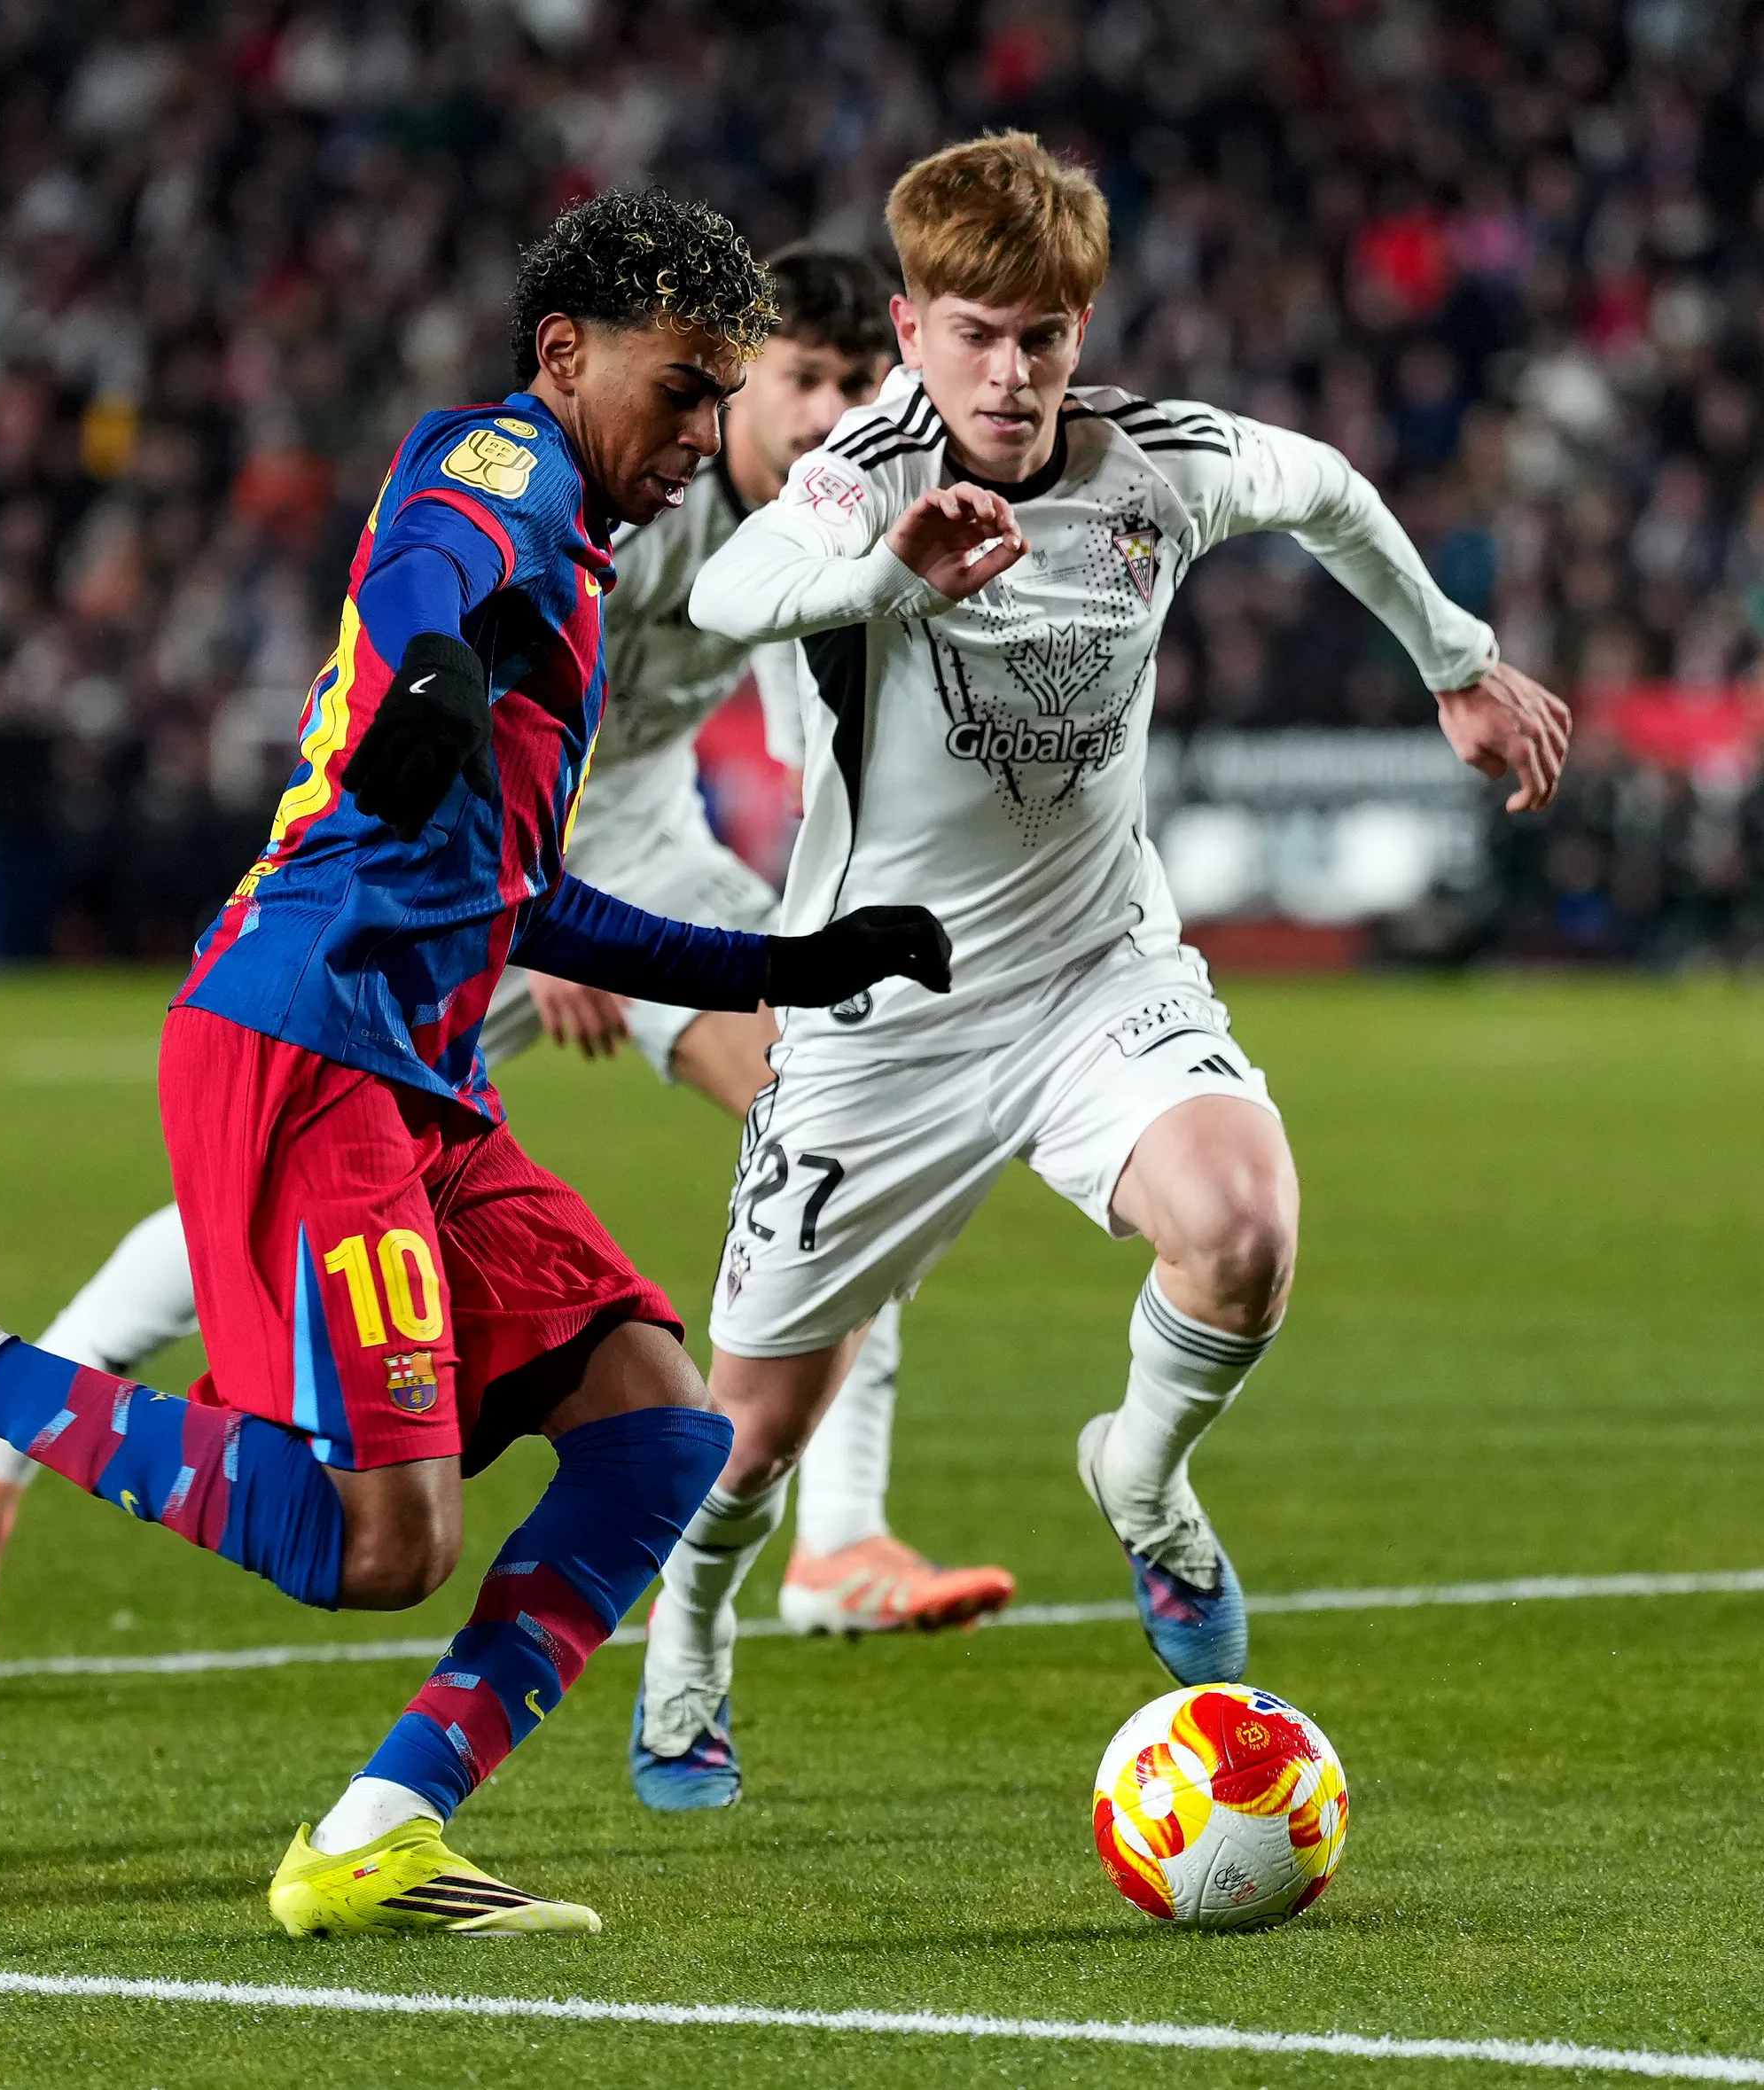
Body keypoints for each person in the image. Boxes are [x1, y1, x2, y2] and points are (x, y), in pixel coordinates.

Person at [0, 191, 953, 1936]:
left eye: (714, 397)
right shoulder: (501, 469)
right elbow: (418, 573)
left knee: (662, 1433)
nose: (697, 434)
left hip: (422, 1077)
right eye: (682, 393)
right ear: (564, 356)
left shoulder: (584, 573)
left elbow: (533, 897)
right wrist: (431, 676)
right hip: (298, 1047)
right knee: (384, 1546)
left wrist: (789, 964)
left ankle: (378, 1832)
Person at [629, 134, 1571, 1807]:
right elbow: (734, 577)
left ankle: (1139, 1479)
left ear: (1080, 331)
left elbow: (1329, 490)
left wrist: (1460, 664)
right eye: (977, 333)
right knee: (749, 1432)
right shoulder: (860, 473)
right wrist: (886, 568)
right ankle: (691, 1623)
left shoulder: (1159, 462)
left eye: (1044, 335)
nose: (1010, 372)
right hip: (877, 1015)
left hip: (1092, 974)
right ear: (911, 329)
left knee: (1245, 1227)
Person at [0, 251, 1018, 1661]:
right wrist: (475, 765)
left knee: (844, 1121)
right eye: (802, 378)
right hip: (473, 864)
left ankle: (838, 1534)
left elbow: (814, 717)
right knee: (285, 1192)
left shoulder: (814, 513)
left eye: (858, 384)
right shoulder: (603, 482)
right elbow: (448, 554)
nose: (826, 410)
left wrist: (799, 937)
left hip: (599, 865)